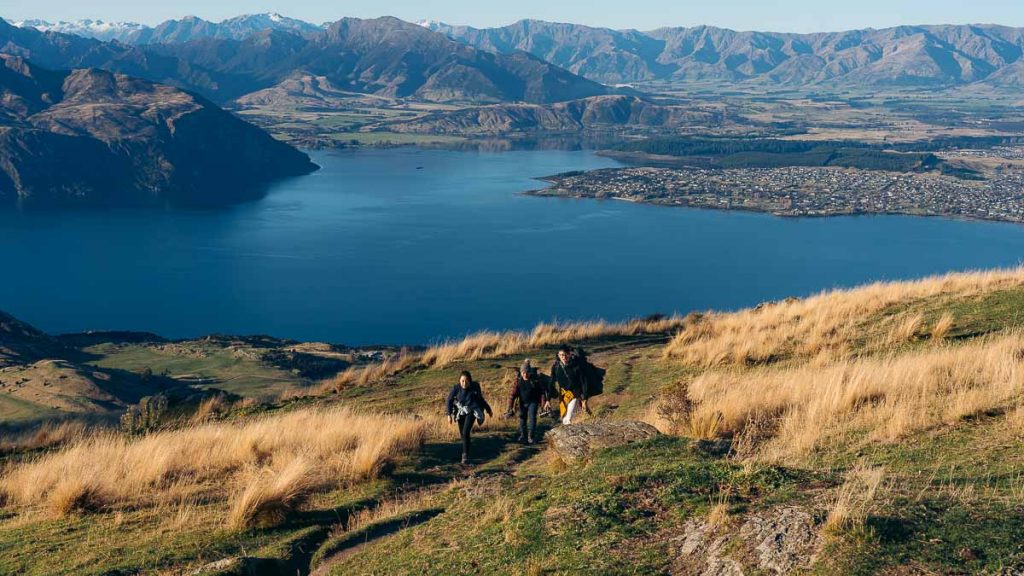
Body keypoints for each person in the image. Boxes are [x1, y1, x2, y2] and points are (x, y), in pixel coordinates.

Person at [446, 370, 493, 464]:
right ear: (459, 380)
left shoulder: (474, 387)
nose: (464, 383)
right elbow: (449, 401)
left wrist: (488, 409)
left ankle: (465, 456)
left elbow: (480, 399)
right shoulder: (456, 388)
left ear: (470, 381)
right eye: (462, 380)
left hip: (472, 410)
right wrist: (449, 414)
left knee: (465, 431)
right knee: (463, 435)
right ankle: (467, 448)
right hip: (460, 412)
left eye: (466, 381)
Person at [503, 359, 549, 445]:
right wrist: (510, 407)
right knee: (522, 419)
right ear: (521, 372)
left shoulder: (535, 381)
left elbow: (542, 392)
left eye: (527, 372)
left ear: (530, 372)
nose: (525, 374)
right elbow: (512, 395)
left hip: (533, 402)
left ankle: (531, 436)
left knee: (532, 419)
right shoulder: (518, 381)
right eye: (523, 372)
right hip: (522, 403)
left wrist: (543, 405)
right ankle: (523, 436)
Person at [550, 344, 591, 425]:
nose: (564, 357)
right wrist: (548, 400)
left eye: (565, 355)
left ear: (569, 354)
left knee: (569, 416)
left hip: (575, 393)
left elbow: (584, 382)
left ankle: (570, 429)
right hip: (563, 394)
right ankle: (589, 417)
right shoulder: (556, 367)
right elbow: (551, 382)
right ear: (558, 355)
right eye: (561, 355)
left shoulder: (576, 366)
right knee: (565, 416)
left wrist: (585, 398)